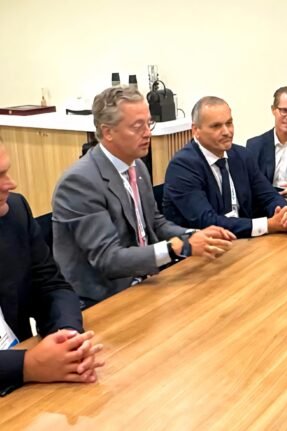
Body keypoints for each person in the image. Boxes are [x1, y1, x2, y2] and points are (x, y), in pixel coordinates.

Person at [52, 87, 235, 307]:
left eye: (149, 124)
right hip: (102, 300)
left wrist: (193, 235)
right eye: (138, 127)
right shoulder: (80, 182)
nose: (148, 133)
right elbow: (108, 259)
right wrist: (178, 247)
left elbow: (155, 224)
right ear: (108, 132)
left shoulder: (136, 165)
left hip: (146, 283)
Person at [0, 140, 103, 395]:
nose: (11, 184)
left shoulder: (15, 212)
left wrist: (67, 338)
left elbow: (51, 286)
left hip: (29, 393)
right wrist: (27, 365)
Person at [163, 96, 287, 239]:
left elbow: (268, 196)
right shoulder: (182, 166)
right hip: (204, 247)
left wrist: (285, 214)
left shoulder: (242, 155)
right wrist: (268, 225)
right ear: (195, 130)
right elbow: (207, 221)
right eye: (216, 126)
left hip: (243, 241)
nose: (227, 131)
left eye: (229, 123)